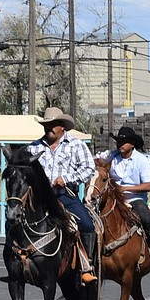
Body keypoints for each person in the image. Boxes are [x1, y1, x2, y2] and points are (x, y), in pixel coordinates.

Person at [26, 107, 98, 283]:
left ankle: (86, 266)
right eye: (46, 124)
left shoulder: (76, 144)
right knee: (17, 220)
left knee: (86, 224)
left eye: (52, 125)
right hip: (39, 198)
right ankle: (18, 262)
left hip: (64, 194)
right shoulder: (33, 147)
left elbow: (89, 169)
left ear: (62, 127)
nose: (48, 128)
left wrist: (66, 179)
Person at [107, 125, 150, 274]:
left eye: (124, 141)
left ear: (132, 144)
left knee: (146, 218)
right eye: (118, 141)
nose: (120, 144)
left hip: (134, 199)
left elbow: (149, 185)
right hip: (114, 198)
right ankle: (90, 258)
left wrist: (126, 189)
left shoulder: (141, 160)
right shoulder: (112, 158)